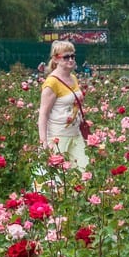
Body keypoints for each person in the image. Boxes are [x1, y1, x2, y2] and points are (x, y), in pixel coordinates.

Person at [37, 40, 88, 170]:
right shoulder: (51, 83)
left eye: (73, 56)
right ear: (55, 59)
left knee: (85, 169)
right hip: (58, 136)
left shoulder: (73, 78)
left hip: (76, 134)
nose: (71, 60)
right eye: (66, 57)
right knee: (54, 176)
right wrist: (43, 142)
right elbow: (43, 114)